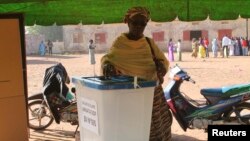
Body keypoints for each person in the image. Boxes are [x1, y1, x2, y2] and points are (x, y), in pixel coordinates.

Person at [101, 6, 172, 141]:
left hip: (153, 95)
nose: (139, 27)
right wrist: (107, 66)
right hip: (129, 95)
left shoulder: (149, 43)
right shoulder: (119, 43)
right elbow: (107, 59)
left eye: (143, 24)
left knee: (158, 131)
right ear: (127, 22)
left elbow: (163, 61)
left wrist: (161, 67)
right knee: (134, 131)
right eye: (135, 23)